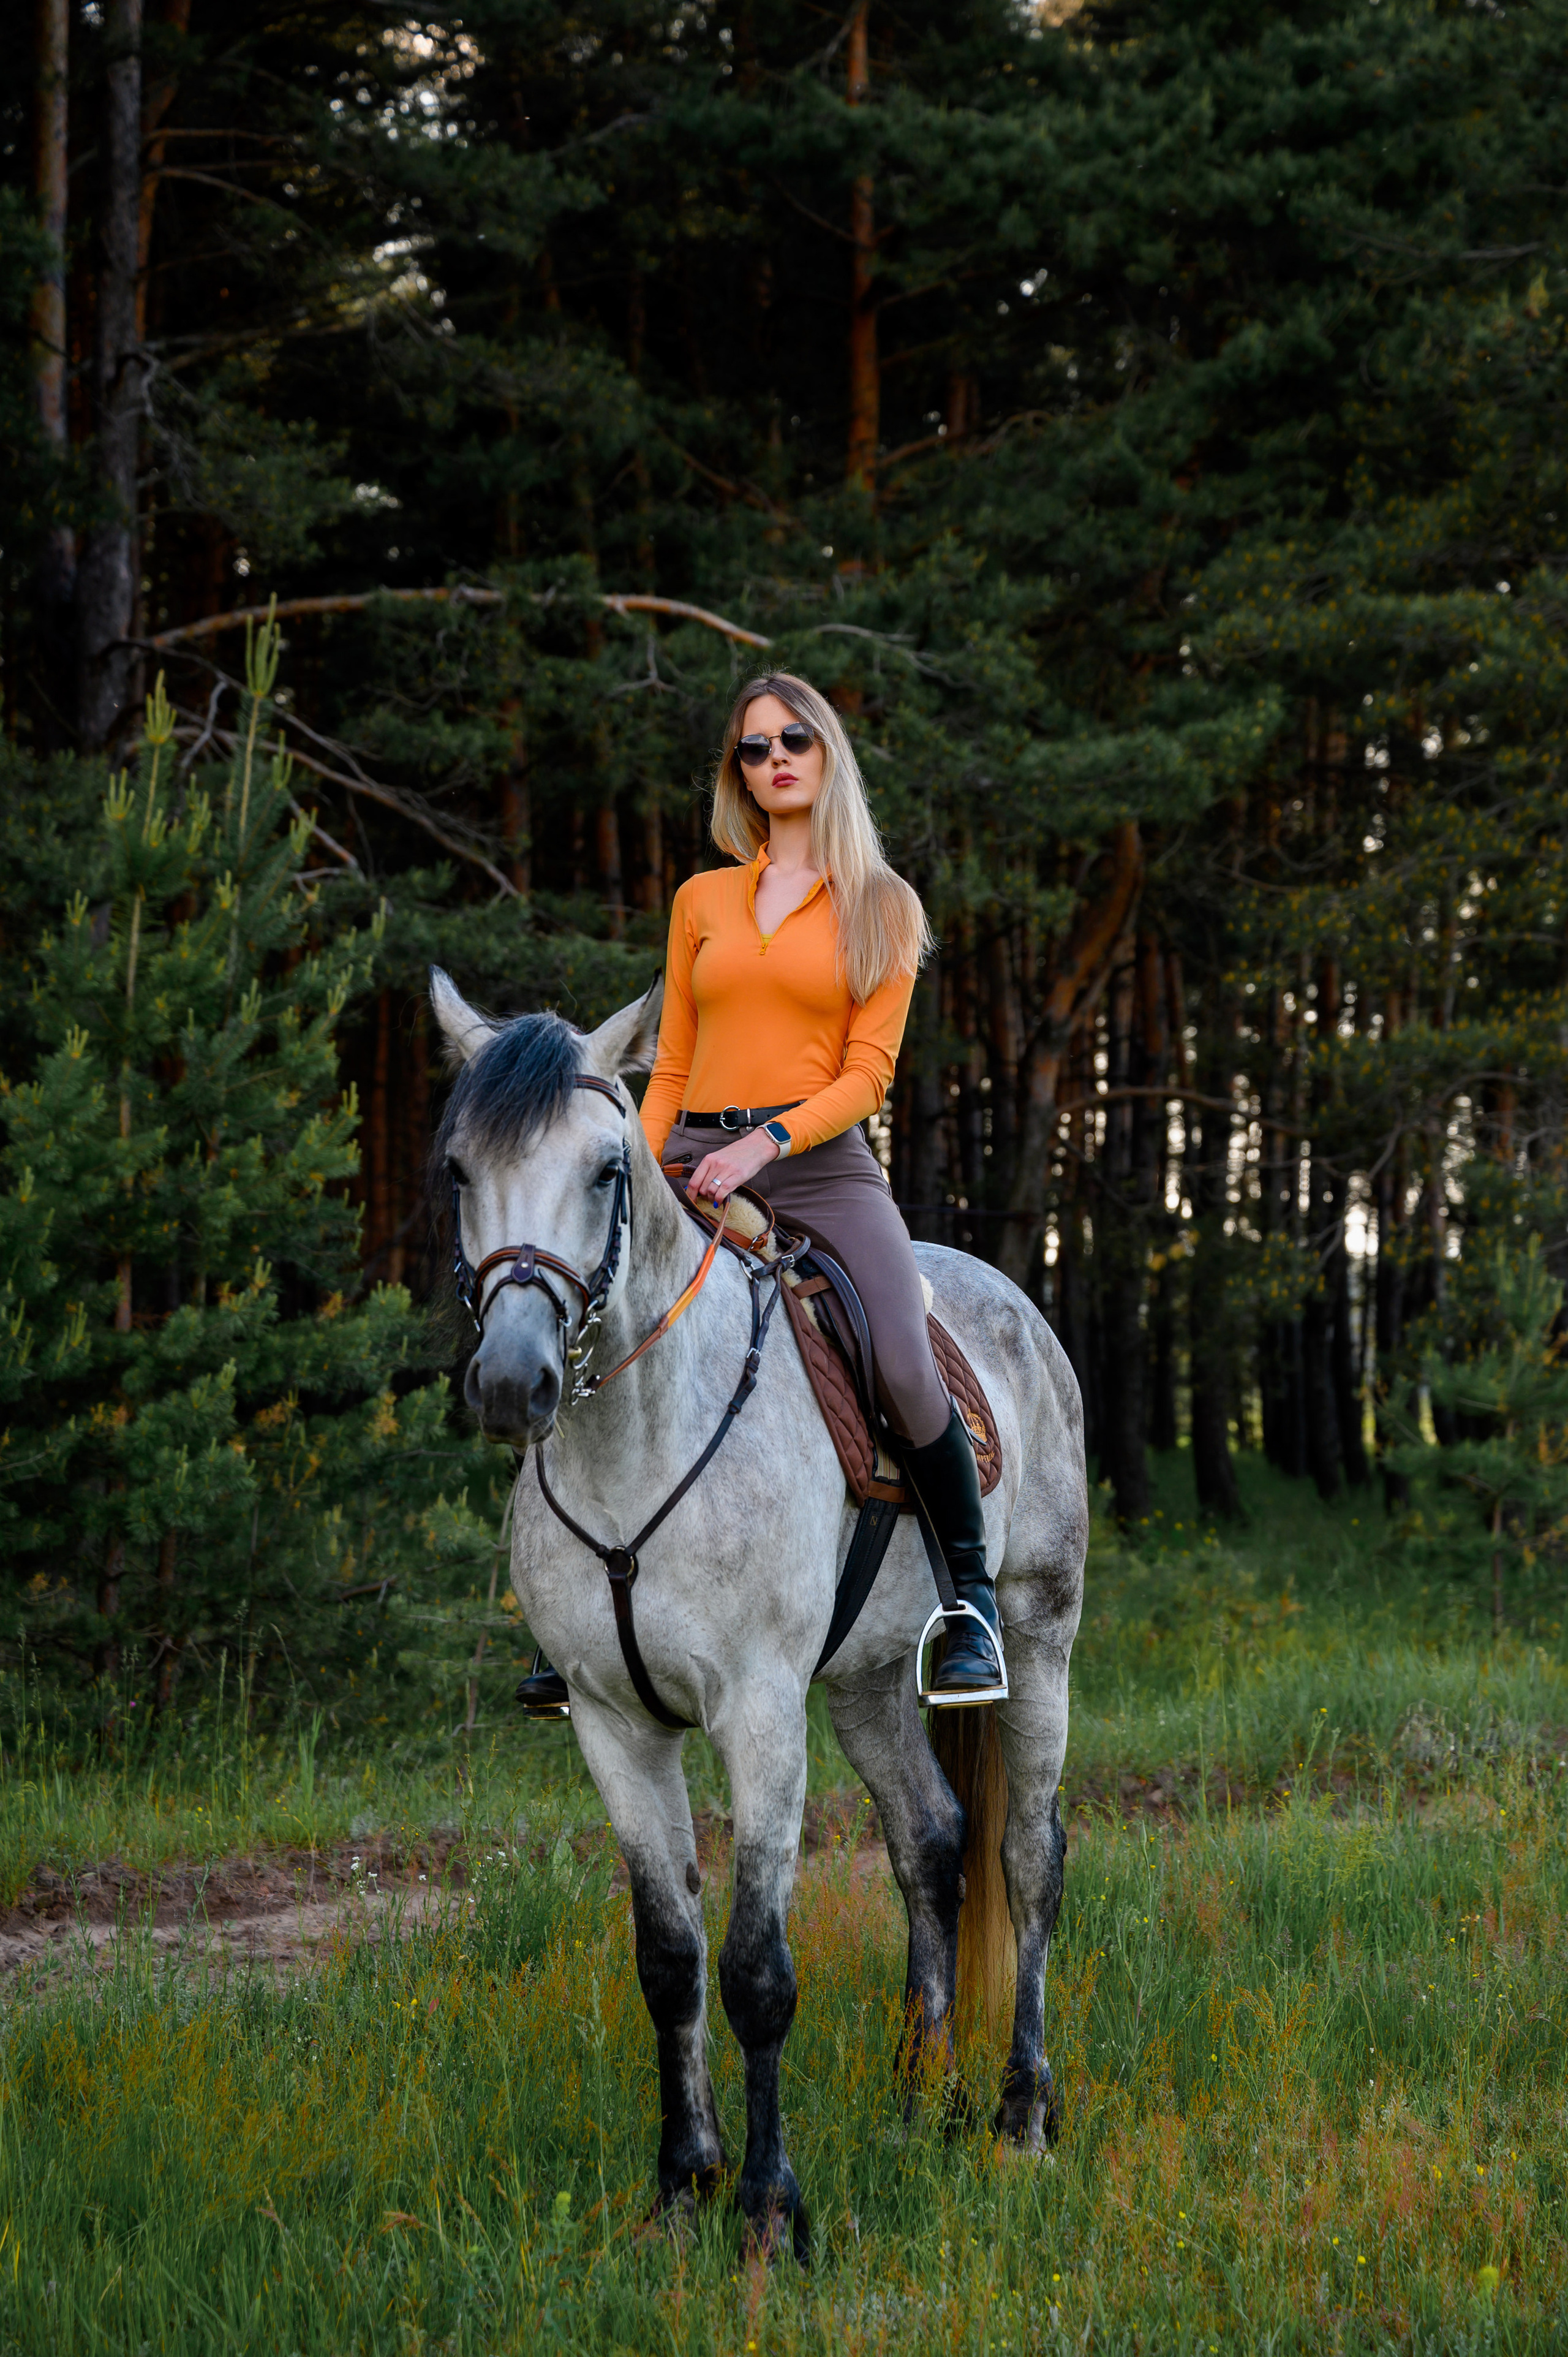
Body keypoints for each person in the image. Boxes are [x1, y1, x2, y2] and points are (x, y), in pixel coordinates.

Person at [516, 671, 1001, 1716]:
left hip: (821, 1165)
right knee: (572, 1319)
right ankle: (573, 1624)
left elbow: (867, 1075)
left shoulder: (884, 905)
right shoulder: (702, 899)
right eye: (752, 748)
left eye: (795, 739)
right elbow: (675, 1063)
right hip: (686, 1151)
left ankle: (971, 1605)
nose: (775, 758)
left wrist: (767, 1146)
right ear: (736, 772)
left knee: (906, 1360)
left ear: (827, 755)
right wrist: (642, 1175)